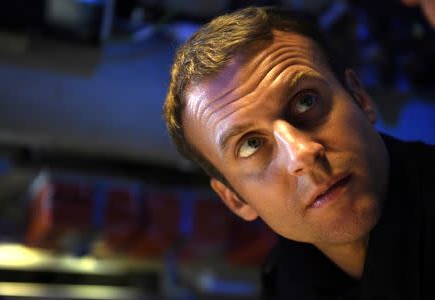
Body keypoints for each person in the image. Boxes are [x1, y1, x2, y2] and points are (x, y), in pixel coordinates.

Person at [163, 6, 435, 299]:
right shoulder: (285, 282)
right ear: (235, 199)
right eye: (251, 145)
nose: (302, 154)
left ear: (360, 98)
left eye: (306, 101)